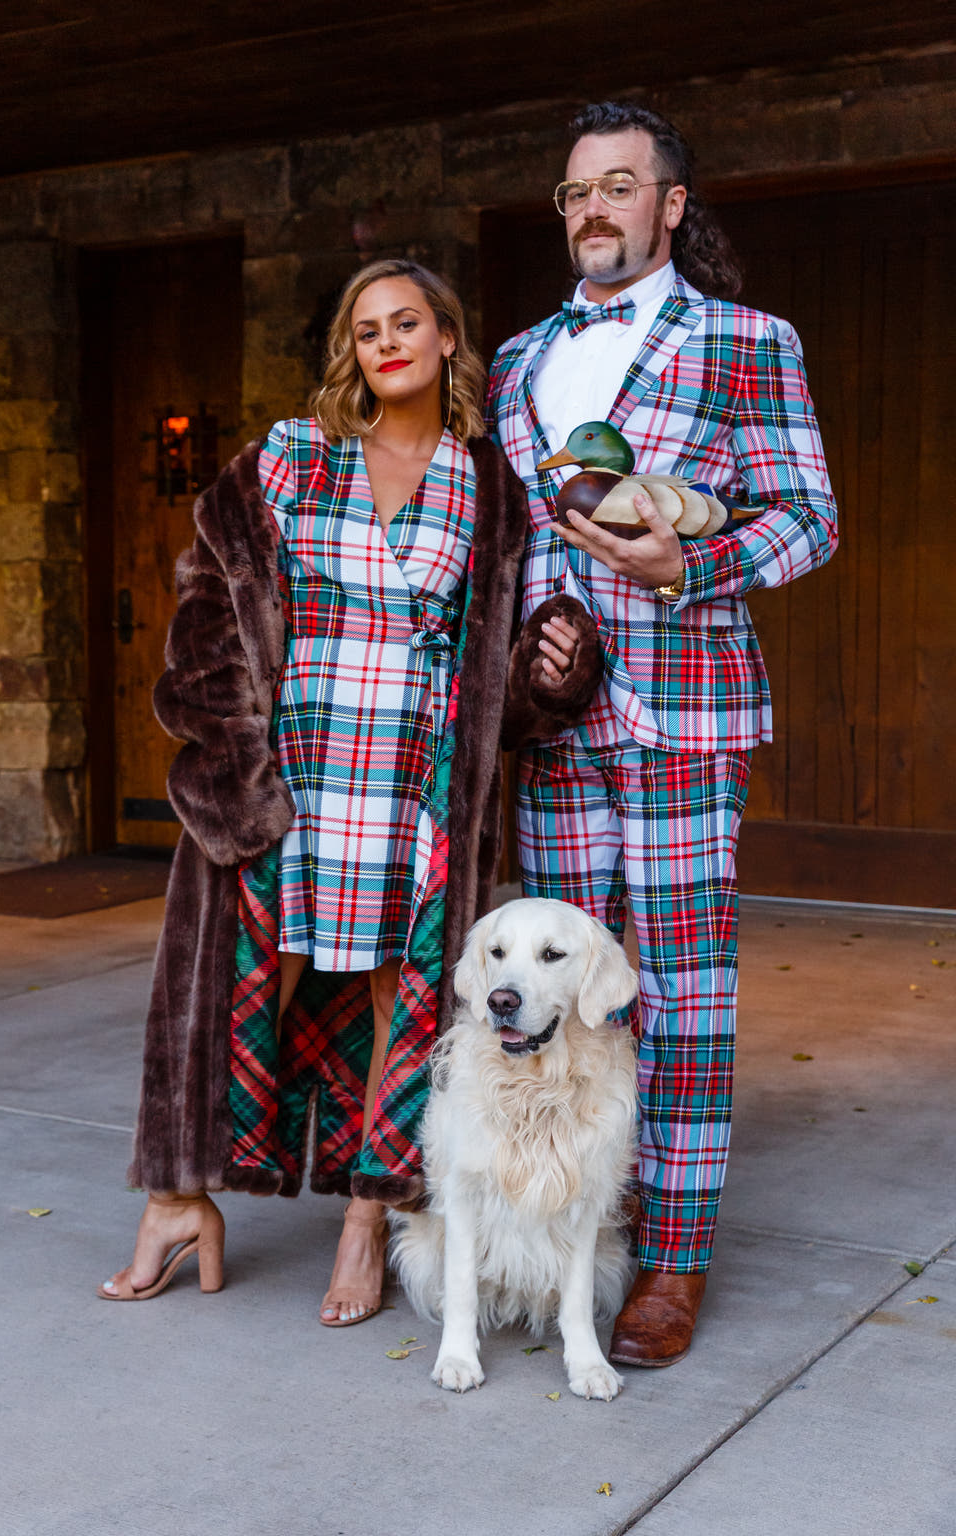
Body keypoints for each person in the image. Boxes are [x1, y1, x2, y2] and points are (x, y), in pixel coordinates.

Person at [98, 258, 598, 1324]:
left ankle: (367, 1219)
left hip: (411, 782)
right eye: (365, 328)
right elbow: (206, 612)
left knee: (394, 998)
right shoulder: (287, 458)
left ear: (448, 338)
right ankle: (178, 1201)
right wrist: (230, 770)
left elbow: (494, 677)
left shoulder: (492, 489)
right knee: (244, 985)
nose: (385, 342)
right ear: (350, 351)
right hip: (289, 771)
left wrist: (553, 679)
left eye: (406, 321)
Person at [485, 102, 838, 1366]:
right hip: (558, 730)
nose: (595, 208)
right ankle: (584, 1233)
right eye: (577, 191)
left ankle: (671, 1265)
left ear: (670, 206)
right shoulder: (516, 361)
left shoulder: (747, 341)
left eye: (621, 186)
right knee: (561, 999)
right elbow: (512, 548)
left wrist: (687, 561)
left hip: (687, 718)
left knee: (681, 1000)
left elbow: (808, 519)